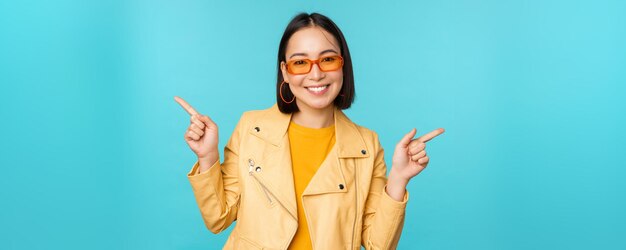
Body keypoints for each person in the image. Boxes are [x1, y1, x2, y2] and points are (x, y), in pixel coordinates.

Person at [175, 12, 444, 250]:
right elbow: (218, 218)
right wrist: (207, 157)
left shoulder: (366, 144)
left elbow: (378, 245)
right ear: (285, 72)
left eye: (327, 60)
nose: (315, 74)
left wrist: (398, 178)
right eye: (300, 63)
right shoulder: (251, 128)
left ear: (342, 65)